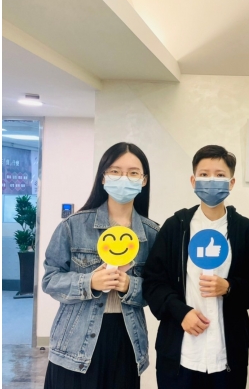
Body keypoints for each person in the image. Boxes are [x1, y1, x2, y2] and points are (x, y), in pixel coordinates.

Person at [142, 145, 249, 389]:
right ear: (193, 180)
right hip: (181, 354)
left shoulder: (245, 230)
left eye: (220, 175)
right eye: (204, 174)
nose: (211, 180)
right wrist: (180, 312)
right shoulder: (175, 227)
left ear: (231, 183)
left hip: (226, 356)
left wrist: (229, 287)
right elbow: (153, 282)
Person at [42, 142, 159, 389]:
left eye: (133, 173)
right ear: (103, 177)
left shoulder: (152, 234)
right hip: (74, 342)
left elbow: (157, 290)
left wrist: (129, 286)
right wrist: (89, 282)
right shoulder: (73, 226)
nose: (124, 178)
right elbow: (50, 280)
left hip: (126, 341)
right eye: (115, 171)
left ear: (144, 180)